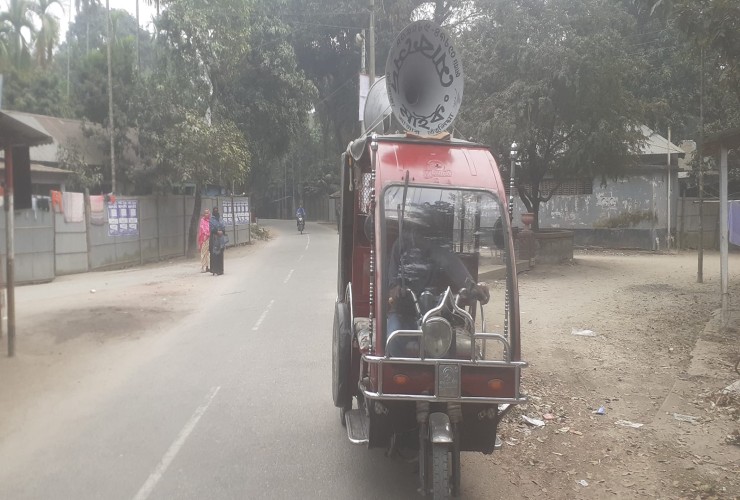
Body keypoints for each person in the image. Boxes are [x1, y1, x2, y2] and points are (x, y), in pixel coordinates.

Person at [386, 222, 490, 338]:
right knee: (393, 338)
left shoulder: (436, 245)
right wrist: (396, 289)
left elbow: (453, 265)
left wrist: (472, 287)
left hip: (434, 310)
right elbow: (392, 281)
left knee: (447, 345)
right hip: (403, 310)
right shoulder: (401, 244)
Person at [198, 208, 211, 272]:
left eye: (207, 213)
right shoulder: (202, 220)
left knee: (208, 253)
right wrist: (207, 234)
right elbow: (202, 229)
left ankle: (207, 267)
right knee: (203, 253)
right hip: (204, 239)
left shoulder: (210, 220)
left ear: (209, 213)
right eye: (205, 213)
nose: (206, 214)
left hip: (210, 239)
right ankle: (202, 267)